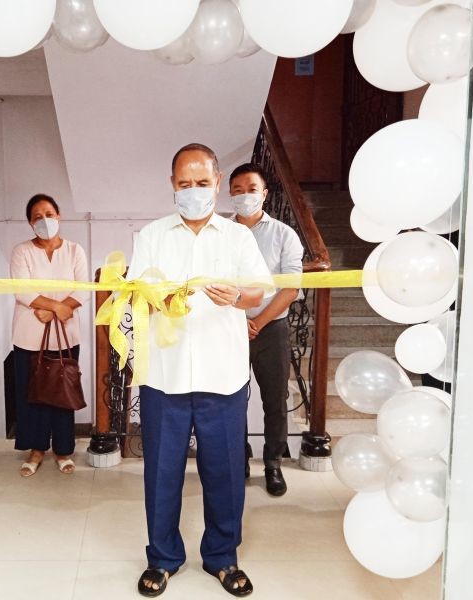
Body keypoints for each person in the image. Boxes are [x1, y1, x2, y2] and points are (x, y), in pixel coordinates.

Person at [129, 144, 273, 597]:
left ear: (217, 181)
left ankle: (223, 556)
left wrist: (238, 298)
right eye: (184, 184)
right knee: (162, 471)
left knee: (226, 469)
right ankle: (164, 557)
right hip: (164, 375)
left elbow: (260, 291)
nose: (193, 191)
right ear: (173, 185)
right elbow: (134, 291)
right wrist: (155, 297)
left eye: (203, 183)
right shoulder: (151, 235)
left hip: (223, 373)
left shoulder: (237, 238)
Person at [229, 163, 304, 496]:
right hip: (230, 328)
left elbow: (290, 288)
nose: (245, 196)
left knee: (275, 398)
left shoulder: (284, 234)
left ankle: (272, 463)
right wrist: (238, 318)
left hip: (272, 328)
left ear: (265, 193)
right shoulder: (222, 235)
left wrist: (258, 321)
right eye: (237, 190)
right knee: (231, 398)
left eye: (251, 189)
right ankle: (239, 459)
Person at [9, 194, 89, 477]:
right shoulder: (22, 251)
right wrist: (56, 307)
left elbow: (82, 288)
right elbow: (22, 290)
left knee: (62, 392)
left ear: (59, 216)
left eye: (49, 213)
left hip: (65, 337)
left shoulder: (75, 250)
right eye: (37, 216)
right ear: (30, 222)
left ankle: (64, 450)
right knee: (34, 396)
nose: (45, 220)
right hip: (29, 335)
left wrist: (54, 311)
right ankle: (36, 450)